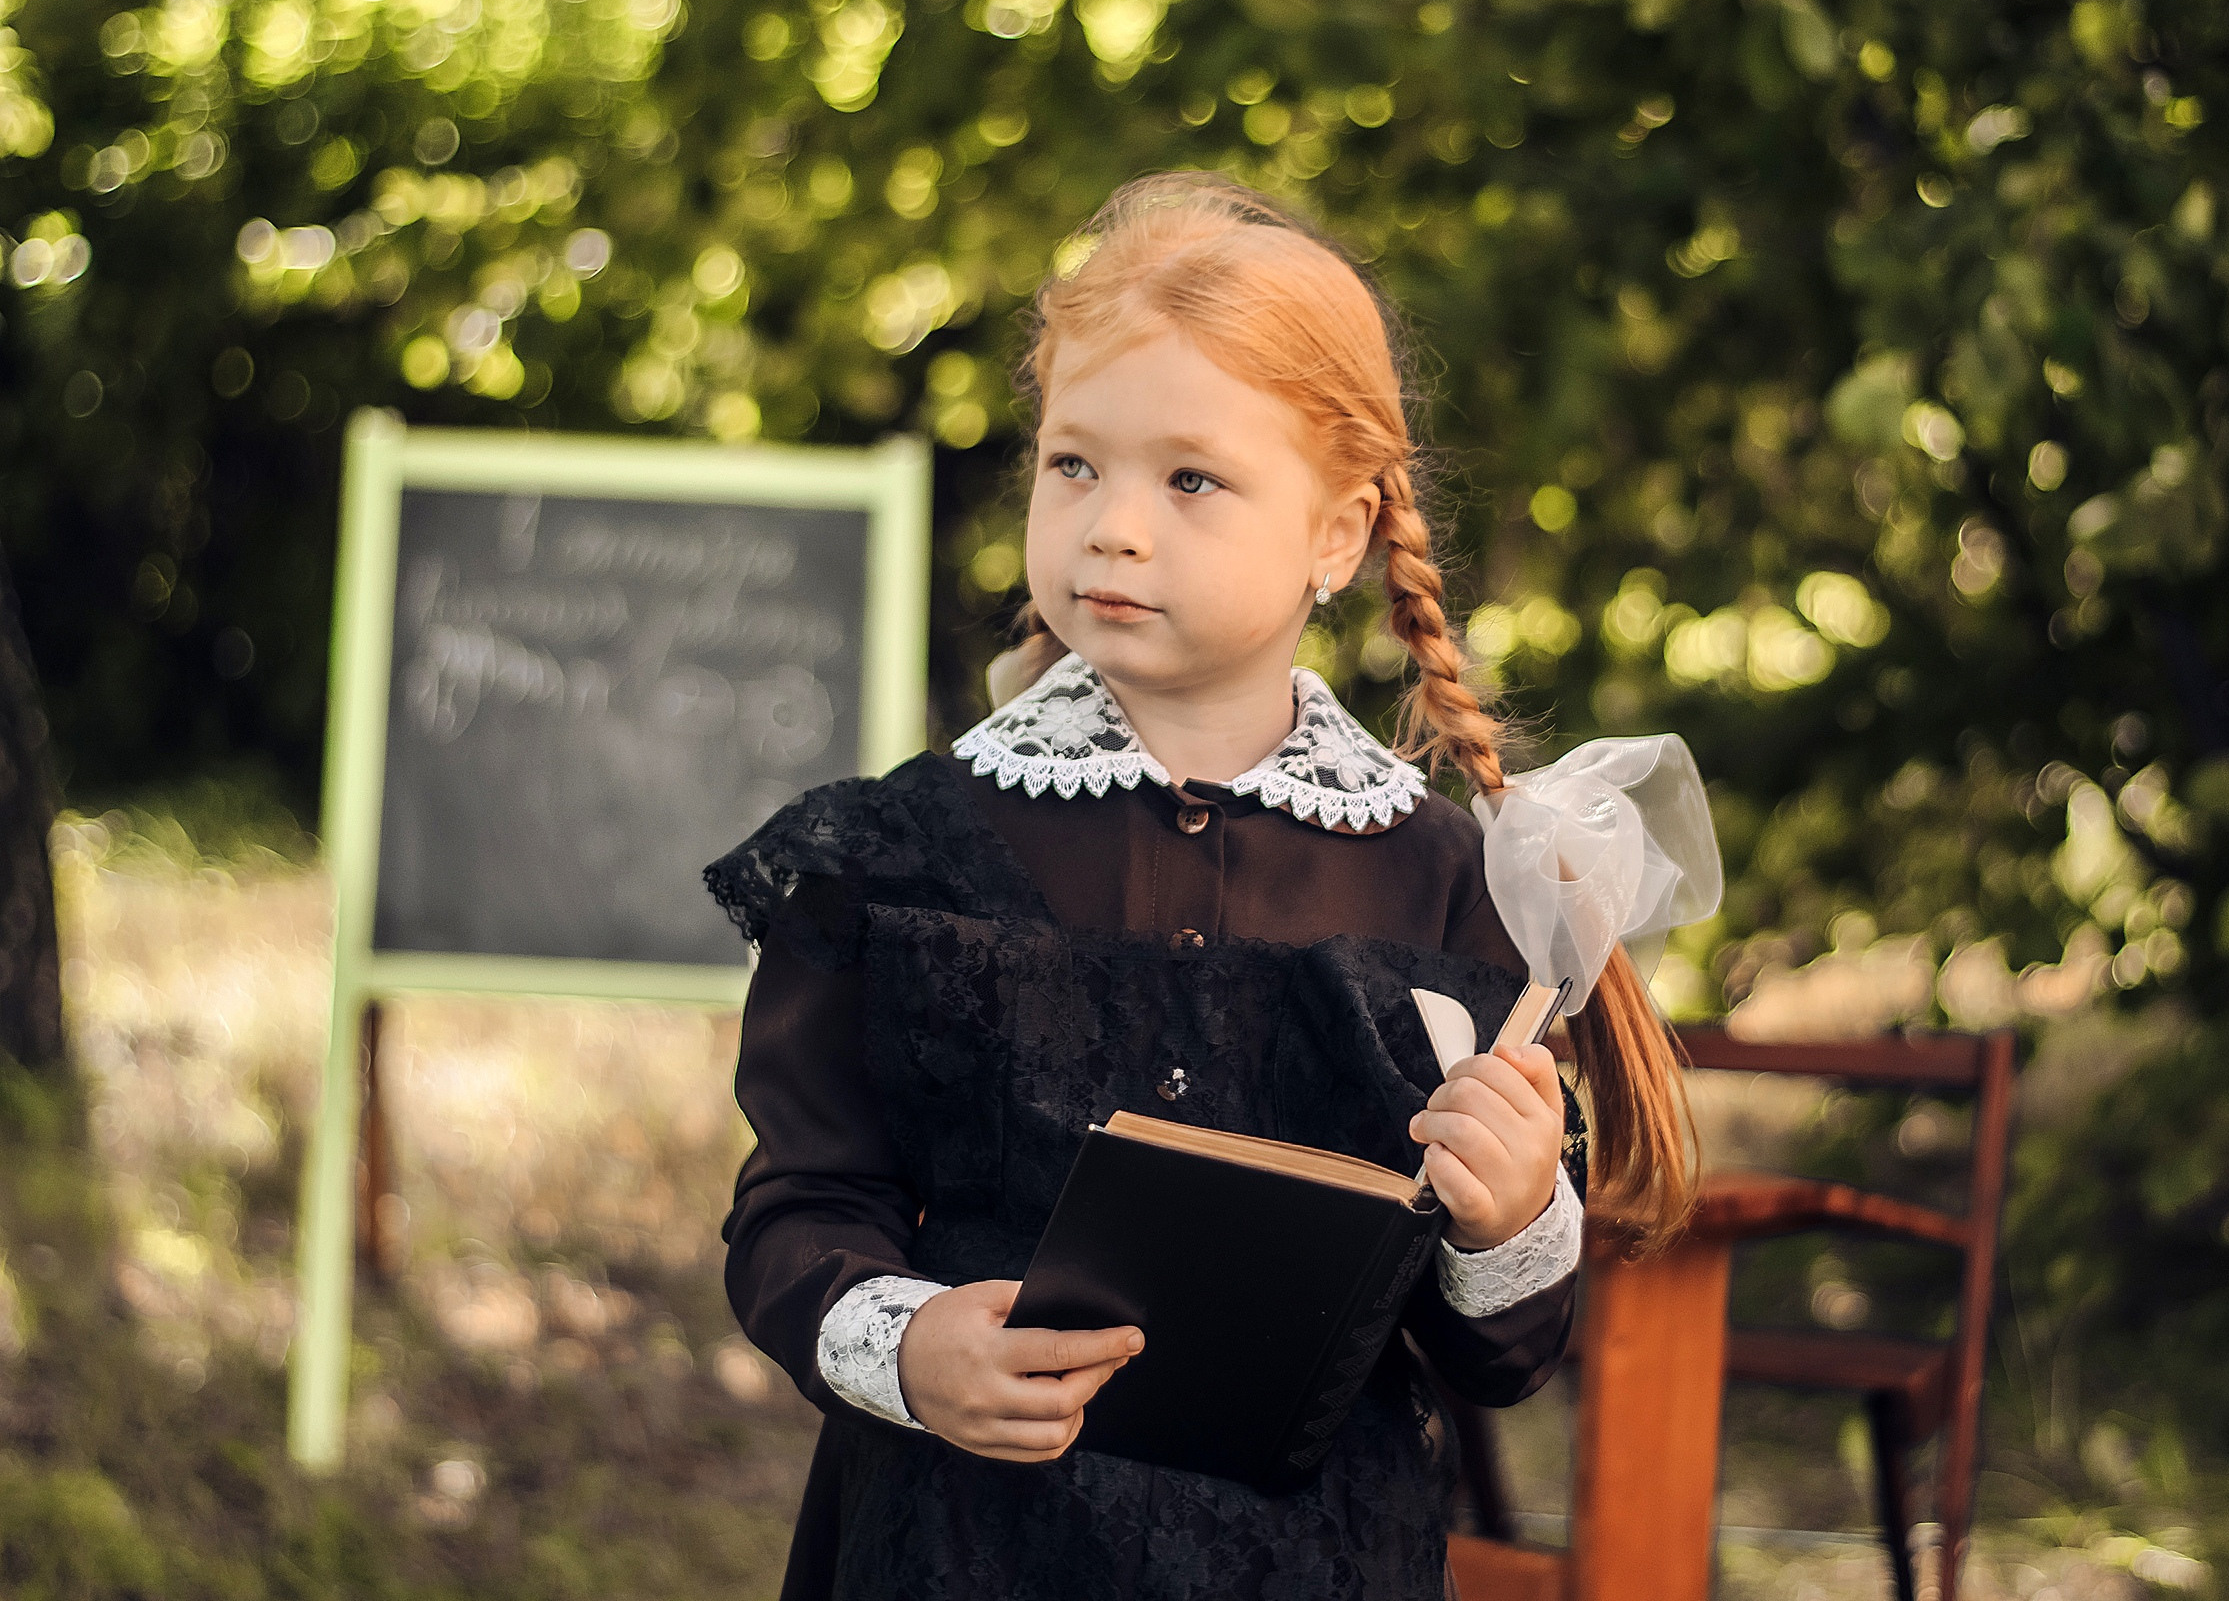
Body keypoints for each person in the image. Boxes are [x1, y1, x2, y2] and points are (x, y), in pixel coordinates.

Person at [705, 171, 1698, 1601]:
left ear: (1337, 536)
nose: (1113, 524)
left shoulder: (1447, 886)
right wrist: (912, 1350)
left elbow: (1502, 1359)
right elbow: (797, 1207)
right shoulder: (890, 857)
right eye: (1073, 465)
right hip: (959, 1549)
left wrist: (1510, 1213)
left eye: (1190, 478)